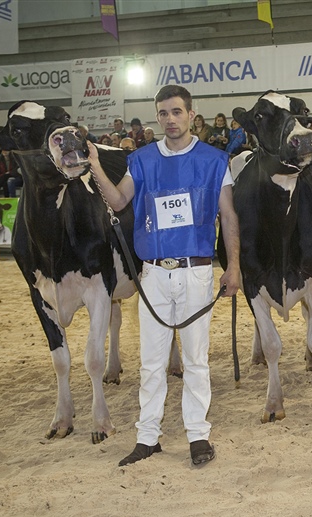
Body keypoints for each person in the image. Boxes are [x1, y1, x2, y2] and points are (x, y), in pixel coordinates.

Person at [87, 84, 241, 466]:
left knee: (195, 359)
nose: (170, 120)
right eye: (163, 113)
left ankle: (198, 435)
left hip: (196, 272)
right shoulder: (140, 160)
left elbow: (229, 216)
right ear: (157, 117)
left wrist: (234, 265)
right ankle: (147, 436)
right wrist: (93, 166)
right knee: (152, 361)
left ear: (191, 115)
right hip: (153, 273)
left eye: (176, 112)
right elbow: (120, 201)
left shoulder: (213, 160)